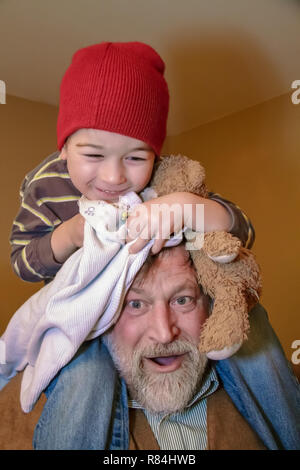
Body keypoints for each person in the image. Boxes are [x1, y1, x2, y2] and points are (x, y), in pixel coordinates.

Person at [5, 41, 296, 448]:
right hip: (82, 316)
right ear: (64, 146)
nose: (114, 177)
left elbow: (241, 229)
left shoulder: (164, 179)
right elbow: (23, 261)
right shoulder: (45, 186)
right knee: (84, 378)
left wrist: (187, 206)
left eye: (136, 158)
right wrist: (69, 235)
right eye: (92, 154)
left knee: (255, 330)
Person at [0, 245, 299, 450]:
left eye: (182, 300)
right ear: (97, 316)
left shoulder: (275, 393)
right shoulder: (17, 416)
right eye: (136, 304)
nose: (164, 333)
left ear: (210, 305)